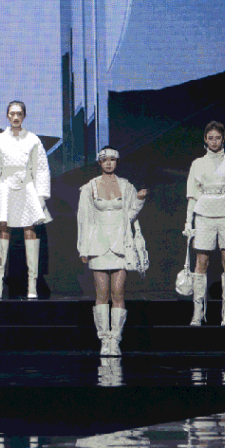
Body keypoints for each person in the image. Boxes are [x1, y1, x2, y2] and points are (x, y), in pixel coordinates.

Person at [77, 147, 148, 356]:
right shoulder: (89, 187)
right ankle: (104, 339)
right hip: (98, 244)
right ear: (99, 162)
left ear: (117, 162)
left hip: (120, 243)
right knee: (101, 294)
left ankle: (115, 339)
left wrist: (139, 200)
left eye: (112, 159)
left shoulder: (126, 186)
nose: (109, 163)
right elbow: (83, 219)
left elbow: (130, 216)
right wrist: (83, 248)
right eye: (105, 160)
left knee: (118, 292)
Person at [0, 100, 52, 299]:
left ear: (24, 116)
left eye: (19, 113)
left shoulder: (33, 140)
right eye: (12, 113)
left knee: (30, 230)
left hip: (27, 188)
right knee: (3, 231)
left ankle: (32, 285)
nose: (15, 117)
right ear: (7, 115)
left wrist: (41, 195)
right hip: (5, 189)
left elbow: (41, 169)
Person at [184, 121, 225, 326]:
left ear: (223, 139)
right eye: (210, 138)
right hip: (204, 212)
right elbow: (192, 195)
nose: (214, 141)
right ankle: (197, 313)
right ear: (205, 139)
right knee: (201, 261)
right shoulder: (198, 163)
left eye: (217, 138)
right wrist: (188, 221)